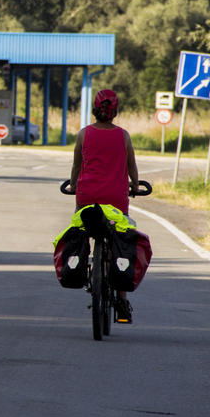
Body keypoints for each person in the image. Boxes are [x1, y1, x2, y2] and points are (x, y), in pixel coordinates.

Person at [69, 89, 140, 323]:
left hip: (87, 197)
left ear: (95, 109)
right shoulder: (124, 136)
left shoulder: (84, 134)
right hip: (117, 200)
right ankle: (121, 299)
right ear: (115, 111)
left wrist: (73, 186)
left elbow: (76, 168)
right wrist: (136, 186)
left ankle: (81, 261)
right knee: (122, 240)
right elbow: (132, 168)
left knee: (81, 230)